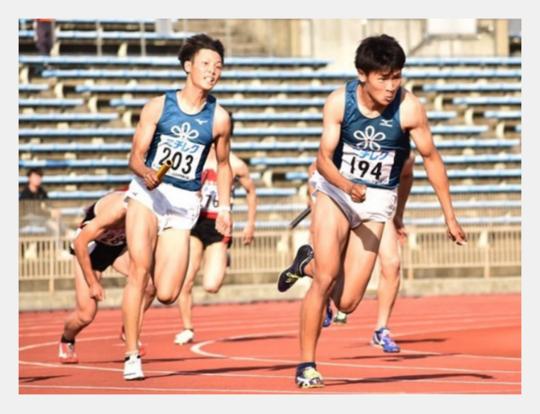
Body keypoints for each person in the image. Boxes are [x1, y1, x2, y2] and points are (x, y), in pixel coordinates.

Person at [280, 34, 467, 389]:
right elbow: (322, 159)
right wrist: (347, 185)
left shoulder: (410, 108)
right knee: (326, 277)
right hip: (336, 191)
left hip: (377, 202)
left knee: (348, 302)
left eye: (397, 76)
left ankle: (304, 262)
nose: (391, 85)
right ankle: (306, 364)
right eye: (383, 77)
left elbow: (432, 159)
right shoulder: (339, 102)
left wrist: (450, 215)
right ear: (362, 74)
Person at [122, 33, 232, 380]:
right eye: (205, 64)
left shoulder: (220, 118)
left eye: (217, 67)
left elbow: (225, 165)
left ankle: (132, 306)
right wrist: (146, 172)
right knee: (140, 272)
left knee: (167, 292)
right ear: (188, 66)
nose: (211, 71)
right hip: (149, 194)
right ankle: (131, 355)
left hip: (185, 203)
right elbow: (135, 157)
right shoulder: (158, 106)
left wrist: (226, 208)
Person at [279, 151, 415, 355]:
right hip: (343, 203)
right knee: (332, 269)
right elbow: (316, 167)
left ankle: (381, 329)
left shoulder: (405, 150)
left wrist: (399, 215)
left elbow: (406, 175)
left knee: (391, 264)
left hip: (378, 207)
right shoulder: (356, 129)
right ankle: (309, 269)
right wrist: (317, 213)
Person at [174, 114, 257, 346]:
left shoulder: (236, 164)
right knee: (186, 280)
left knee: (211, 286)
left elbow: (251, 192)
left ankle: (222, 256)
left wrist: (250, 223)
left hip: (219, 224)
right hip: (194, 222)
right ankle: (187, 327)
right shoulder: (194, 158)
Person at [59, 188, 156, 364]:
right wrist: (92, 283)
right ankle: (67, 339)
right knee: (85, 315)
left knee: (148, 286)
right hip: (89, 251)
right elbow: (79, 243)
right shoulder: (116, 208)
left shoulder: (149, 209)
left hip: (117, 250)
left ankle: (129, 329)